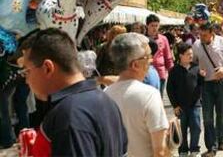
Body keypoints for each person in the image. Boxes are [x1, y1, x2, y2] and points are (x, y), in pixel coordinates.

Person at [21, 28, 127, 156]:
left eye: (26, 71)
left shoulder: (69, 116)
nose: (26, 81)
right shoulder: (104, 100)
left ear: (47, 68)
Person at [106, 33, 169, 157]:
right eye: (148, 57)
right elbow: (160, 152)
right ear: (135, 65)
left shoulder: (105, 94)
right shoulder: (149, 95)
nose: (151, 60)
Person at [192, 22, 223, 156]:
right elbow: (193, 64)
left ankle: (220, 139)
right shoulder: (196, 45)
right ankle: (211, 147)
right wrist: (198, 71)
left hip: (221, 83)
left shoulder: (222, 42)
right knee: (207, 117)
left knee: (221, 115)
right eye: (200, 34)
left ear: (212, 33)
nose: (201, 38)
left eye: (204, 35)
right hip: (206, 86)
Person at [167, 42, 204, 157]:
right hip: (181, 106)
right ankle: (183, 150)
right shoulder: (174, 70)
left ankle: (194, 149)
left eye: (191, 54)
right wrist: (175, 106)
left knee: (196, 127)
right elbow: (170, 89)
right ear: (181, 56)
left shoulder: (196, 68)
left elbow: (201, 86)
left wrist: (202, 77)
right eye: (188, 54)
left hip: (195, 104)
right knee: (182, 129)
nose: (191, 56)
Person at [146, 14, 174, 97]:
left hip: (160, 73)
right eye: (152, 26)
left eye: (156, 25)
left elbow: (168, 56)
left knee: (159, 97)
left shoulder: (163, 39)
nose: (155, 28)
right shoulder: (143, 38)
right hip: (146, 73)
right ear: (147, 25)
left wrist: (172, 72)